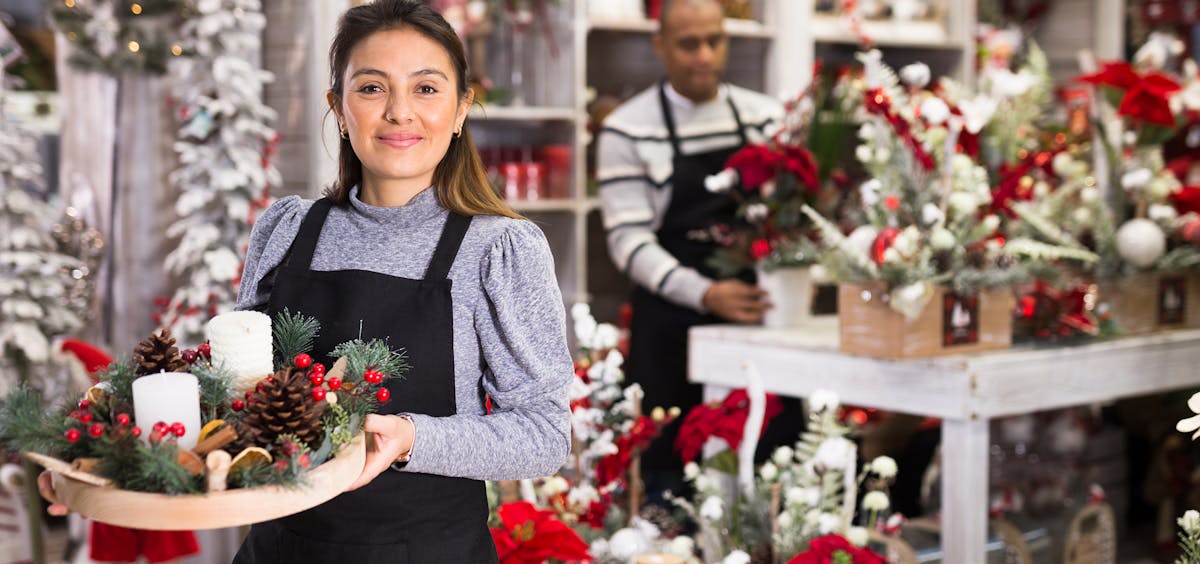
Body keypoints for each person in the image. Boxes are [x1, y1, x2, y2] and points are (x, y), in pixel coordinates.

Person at [42, 2, 572, 562]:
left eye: (426, 89)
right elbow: (234, 397)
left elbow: (544, 436)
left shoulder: (498, 250)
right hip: (278, 549)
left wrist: (410, 438)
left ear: (461, 109)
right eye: (372, 88)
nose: (399, 112)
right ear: (339, 108)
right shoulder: (288, 229)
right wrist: (98, 462)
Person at [595, 0, 796, 497]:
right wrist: (705, 293)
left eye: (714, 41)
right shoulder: (627, 129)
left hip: (754, 322)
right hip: (670, 335)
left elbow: (789, 216)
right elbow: (628, 242)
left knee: (771, 471)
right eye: (688, 44)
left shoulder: (765, 118)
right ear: (660, 46)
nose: (704, 55)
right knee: (673, 484)